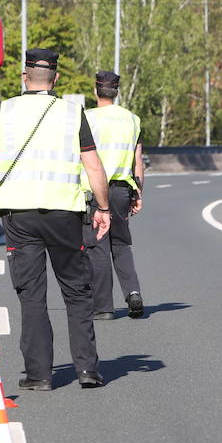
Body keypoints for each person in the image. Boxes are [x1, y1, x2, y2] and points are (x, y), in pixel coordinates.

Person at [0, 48, 112, 390]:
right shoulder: (73, 114)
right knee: (76, 291)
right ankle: (87, 369)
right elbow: (93, 166)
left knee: (32, 295)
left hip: (19, 217)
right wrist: (103, 209)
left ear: (24, 77)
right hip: (64, 215)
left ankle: (39, 375)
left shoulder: (6, 112)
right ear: (55, 79)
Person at [83, 70, 145, 320]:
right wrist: (138, 192)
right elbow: (137, 161)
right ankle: (132, 292)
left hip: (94, 190)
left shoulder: (86, 118)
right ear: (117, 92)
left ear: (95, 90)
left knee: (97, 247)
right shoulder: (132, 120)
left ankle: (103, 307)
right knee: (120, 244)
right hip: (122, 189)